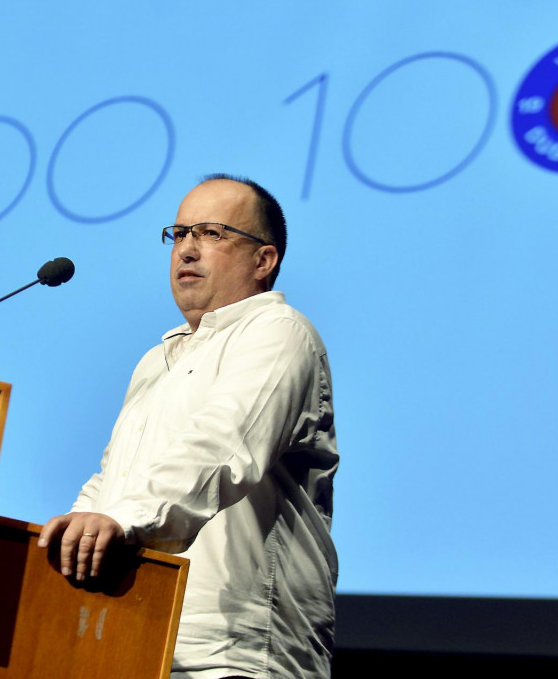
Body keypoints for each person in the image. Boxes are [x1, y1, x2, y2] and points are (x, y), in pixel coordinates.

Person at [38, 175, 338, 678]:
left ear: (264, 261)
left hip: (235, 654)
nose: (187, 251)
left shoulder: (280, 333)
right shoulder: (158, 359)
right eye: (178, 235)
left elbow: (224, 447)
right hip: (136, 639)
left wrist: (120, 522)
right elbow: (116, 479)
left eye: (211, 234)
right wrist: (74, 536)